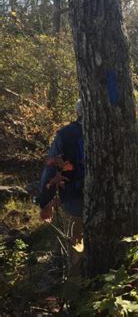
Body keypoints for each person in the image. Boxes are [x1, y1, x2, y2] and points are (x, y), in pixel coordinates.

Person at [38, 99, 84, 276]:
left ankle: (75, 287)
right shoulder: (109, 129)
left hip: (74, 198)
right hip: (104, 198)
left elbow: (51, 168)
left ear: (78, 112)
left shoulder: (65, 134)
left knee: (77, 247)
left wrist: (45, 201)